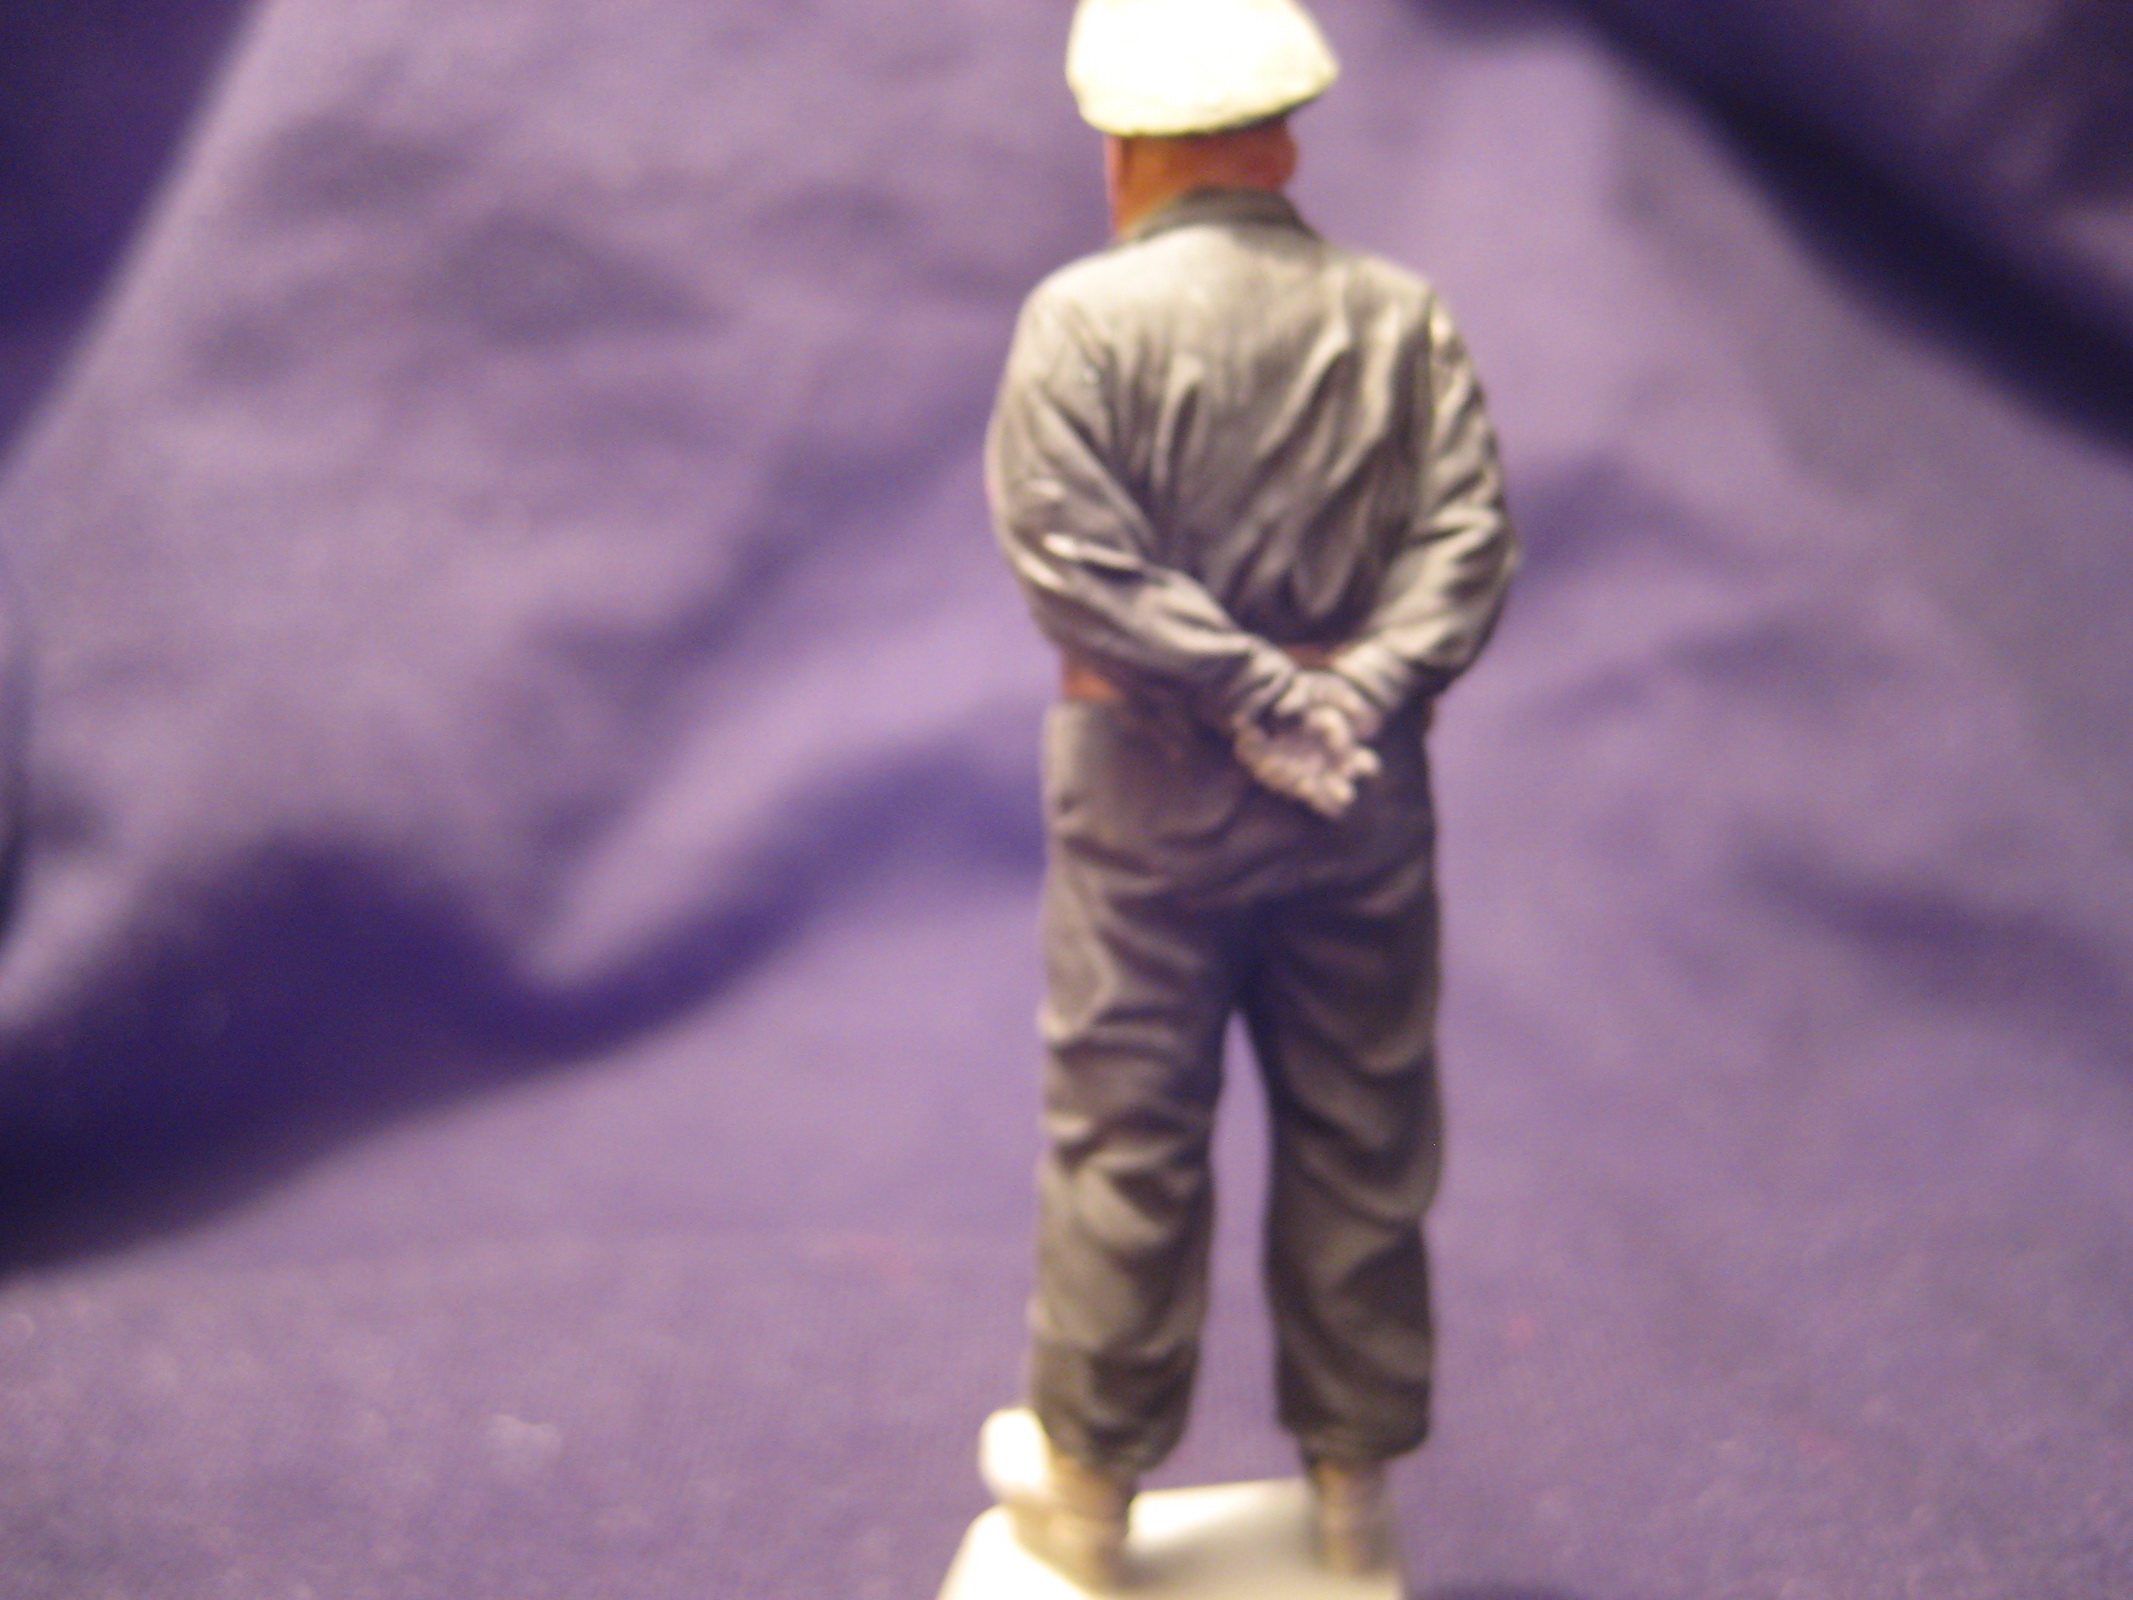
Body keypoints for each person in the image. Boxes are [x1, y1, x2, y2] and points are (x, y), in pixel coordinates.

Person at [978, 0, 1518, 1587]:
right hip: (1362, 798)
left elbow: (1073, 562)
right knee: (1363, 1137)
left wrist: (1251, 694)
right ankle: (1351, 1504)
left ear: (1123, 151)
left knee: (1124, 1142)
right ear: (1280, 140)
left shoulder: (1077, 323)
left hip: (1144, 801)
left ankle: (1088, 1501)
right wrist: (1342, 693)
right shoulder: (1402, 317)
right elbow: (1466, 544)